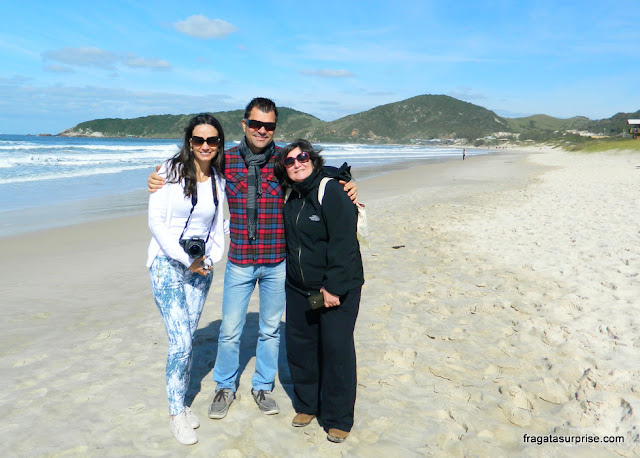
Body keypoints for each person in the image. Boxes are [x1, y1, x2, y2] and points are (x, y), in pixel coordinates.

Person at [147, 98, 358, 421]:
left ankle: (263, 387)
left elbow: (313, 172)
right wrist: (157, 176)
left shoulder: (283, 159)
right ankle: (225, 387)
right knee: (230, 329)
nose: (262, 130)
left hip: (277, 261)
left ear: (275, 128)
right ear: (244, 125)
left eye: (269, 126)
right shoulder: (226, 159)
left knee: (270, 330)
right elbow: (193, 167)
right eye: (256, 124)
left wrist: (345, 182)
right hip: (240, 260)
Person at [274, 139, 364, 443]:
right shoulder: (290, 194)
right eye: (290, 161)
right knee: (301, 347)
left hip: (336, 287)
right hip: (299, 288)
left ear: (313, 159)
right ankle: (307, 405)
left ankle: (338, 418)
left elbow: (344, 242)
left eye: (302, 157)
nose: (297, 163)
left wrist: (333, 287)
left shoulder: (332, 190)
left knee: (336, 349)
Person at [146, 113, 227, 445]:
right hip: (167, 264)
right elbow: (156, 223)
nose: (205, 146)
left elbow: (221, 228)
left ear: (219, 143)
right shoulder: (168, 171)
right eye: (198, 140)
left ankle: (181, 401)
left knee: (188, 338)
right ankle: (176, 414)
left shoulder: (220, 181)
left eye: (211, 140)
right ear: (189, 142)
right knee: (180, 343)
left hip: (200, 268)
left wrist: (210, 258)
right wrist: (186, 259)